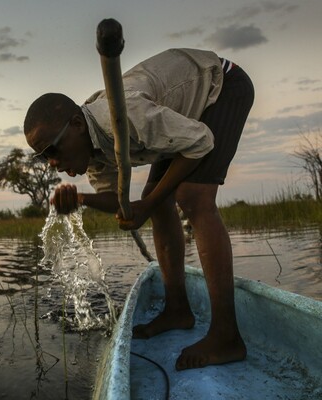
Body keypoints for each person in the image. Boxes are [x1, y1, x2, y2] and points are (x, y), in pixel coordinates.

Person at [23, 48, 254, 370]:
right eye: (43, 157)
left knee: (192, 197)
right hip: (180, 114)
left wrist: (148, 203)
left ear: (76, 124)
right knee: (157, 203)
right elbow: (121, 203)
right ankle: (177, 309)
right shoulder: (92, 150)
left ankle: (227, 336)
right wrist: (79, 200)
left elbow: (200, 142)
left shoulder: (124, 116)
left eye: (52, 150)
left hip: (220, 86)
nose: (52, 163)